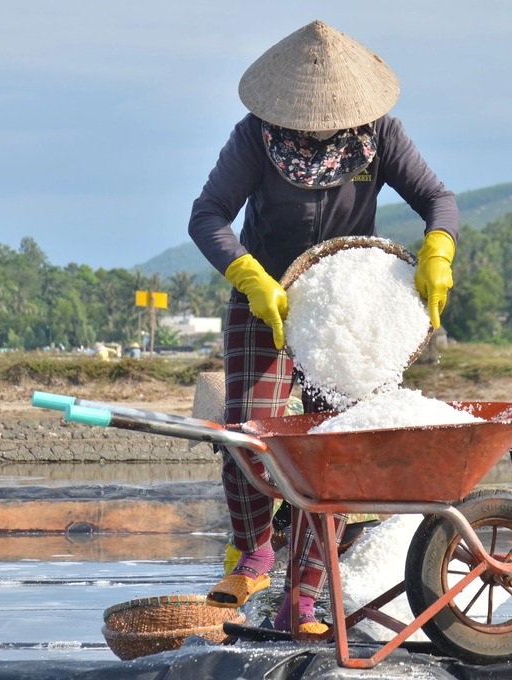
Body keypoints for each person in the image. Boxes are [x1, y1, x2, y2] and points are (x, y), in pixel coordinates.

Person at [187, 19, 459, 635]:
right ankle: (253, 551)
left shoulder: (380, 137)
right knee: (245, 427)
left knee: (330, 452)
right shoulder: (256, 138)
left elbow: (437, 200)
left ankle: (303, 603)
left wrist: (439, 249)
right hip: (264, 297)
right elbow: (208, 216)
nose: (313, 130)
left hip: (341, 308)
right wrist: (250, 275)